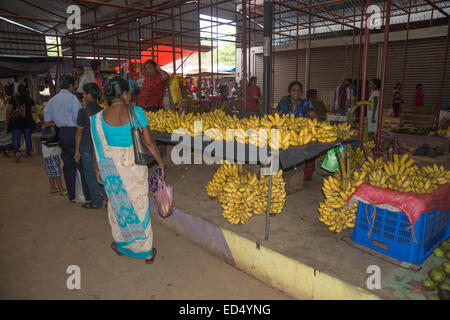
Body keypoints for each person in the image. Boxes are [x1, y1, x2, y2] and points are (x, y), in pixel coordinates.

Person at [90, 76, 164, 263]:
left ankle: (122, 245)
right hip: (133, 168)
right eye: (128, 92)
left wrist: (98, 169)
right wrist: (160, 162)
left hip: (110, 168)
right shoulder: (136, 112)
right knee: (139, 207)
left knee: (117, 207)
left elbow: (95, 146)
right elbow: (148, 142)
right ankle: (145, 251)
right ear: (124, 94)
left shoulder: (97, 118)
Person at [44, 75, 90, 204]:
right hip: (74, 132)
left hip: (61, 133)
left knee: (68, 164)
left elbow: (47, 120)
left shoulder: (52, 100)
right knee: (81, 162)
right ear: (70, 85)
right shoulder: (72, 99)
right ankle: (87, 195)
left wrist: (59, 121)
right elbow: (78, 118)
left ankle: (72, 196)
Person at [277, 81, 317, 181]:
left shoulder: (306, 103)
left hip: (303, 134)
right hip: (286, 133)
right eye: (294, 90)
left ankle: (304, 175)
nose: (296, 92)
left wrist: (313, 127)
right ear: (289, 91)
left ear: (301, 93)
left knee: (309, 151)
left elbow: (314, 117)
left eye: (298, 91)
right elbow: (276, 117)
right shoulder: (283, 103)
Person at [74, 83, 105, 210]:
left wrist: (77, 150)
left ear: (89, 95)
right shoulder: (103, 111)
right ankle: (108, 197)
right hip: (99, 147)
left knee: (90, 175)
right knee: (103, 173)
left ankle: (97, 202)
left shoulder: (82, 112)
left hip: (87, 148)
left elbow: (79, 134)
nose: (83, 95)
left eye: (84, 93)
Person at [6, 84, 36, 162]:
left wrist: (7, 119)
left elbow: (9, 110)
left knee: (16, 138)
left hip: (16, 121)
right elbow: (34, 110)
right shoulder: (29, 99)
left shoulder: (13, 98)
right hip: (27, 121)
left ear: (18, 90)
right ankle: (28, 154)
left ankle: (17, 152)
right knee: (27, 138)